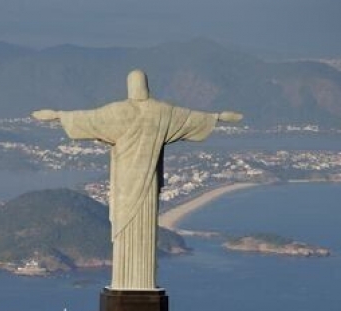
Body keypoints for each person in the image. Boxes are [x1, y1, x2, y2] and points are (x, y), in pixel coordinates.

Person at [33, 70, 243, 289]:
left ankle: (124, 282)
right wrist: (217, 117)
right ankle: (143, 282)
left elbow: (87, 118)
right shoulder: (162, 112)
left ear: (129, 86)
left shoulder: (118, 112)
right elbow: (191, 118)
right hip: (147, 184)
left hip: (124, 185)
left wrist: (58, 115)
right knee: (144, 231)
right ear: (147, 86)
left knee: (125, 230)